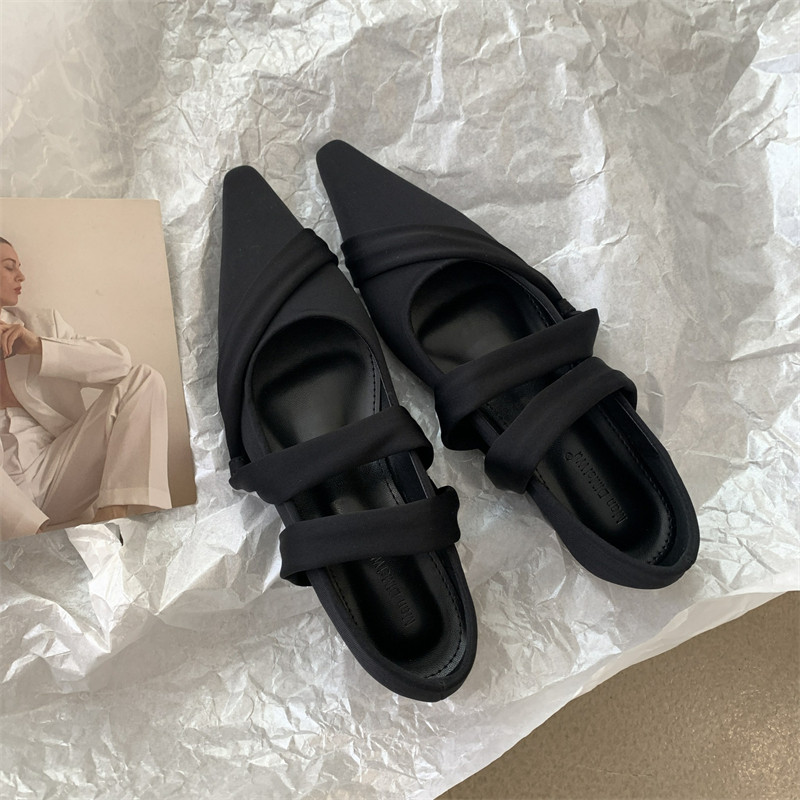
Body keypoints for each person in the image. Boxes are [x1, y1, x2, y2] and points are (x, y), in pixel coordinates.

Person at [0, 236, 172, 539]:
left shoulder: (41, 324)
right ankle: (36, 539)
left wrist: (39, 346)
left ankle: (114, 512)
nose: (21, 276)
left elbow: (119, 365)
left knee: (145, 378)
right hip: (5, 496)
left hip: (58, 470)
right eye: (9, 267)